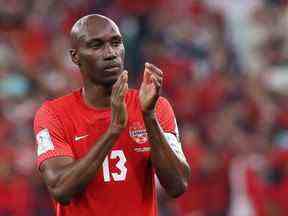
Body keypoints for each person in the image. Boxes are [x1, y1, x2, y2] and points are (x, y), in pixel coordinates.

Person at [33, 14, 190, 216]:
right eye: (96, 45)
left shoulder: (155, 107)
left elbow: (178, 185)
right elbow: (61, 189)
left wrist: (149, 117)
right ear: (75, 56)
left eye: (116, 43)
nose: (110, 53)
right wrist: (113, 130)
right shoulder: (54, 114)